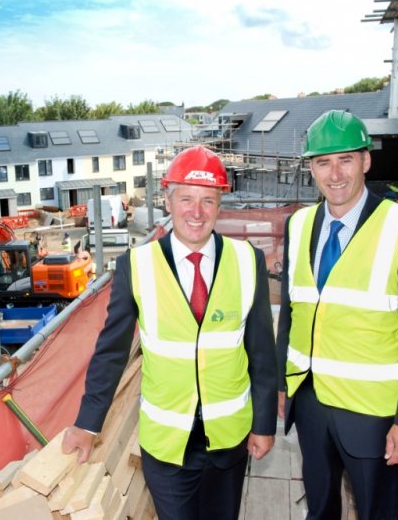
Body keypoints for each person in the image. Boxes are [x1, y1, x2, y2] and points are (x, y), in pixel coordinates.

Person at [63, 146, 278, 520]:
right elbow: (111, 352)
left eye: (208, 200)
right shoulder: (137, 265)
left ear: (219, 203)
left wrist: (263, 425)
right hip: (167, 444)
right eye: (187, 199)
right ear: (167, 199)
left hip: (228, 440)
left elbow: (261, 350)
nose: (197, 212)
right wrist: (87, 423)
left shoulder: (248, 261)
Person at [276, 110, 398, 519]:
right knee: (320, 510)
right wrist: (282, 384)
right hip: (310, 402)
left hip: (373, 415)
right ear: (310, 168)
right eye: (322, 162)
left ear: (366, 161)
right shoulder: (298, 224)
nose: (334, 174)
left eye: (345, 159)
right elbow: (292, 314)